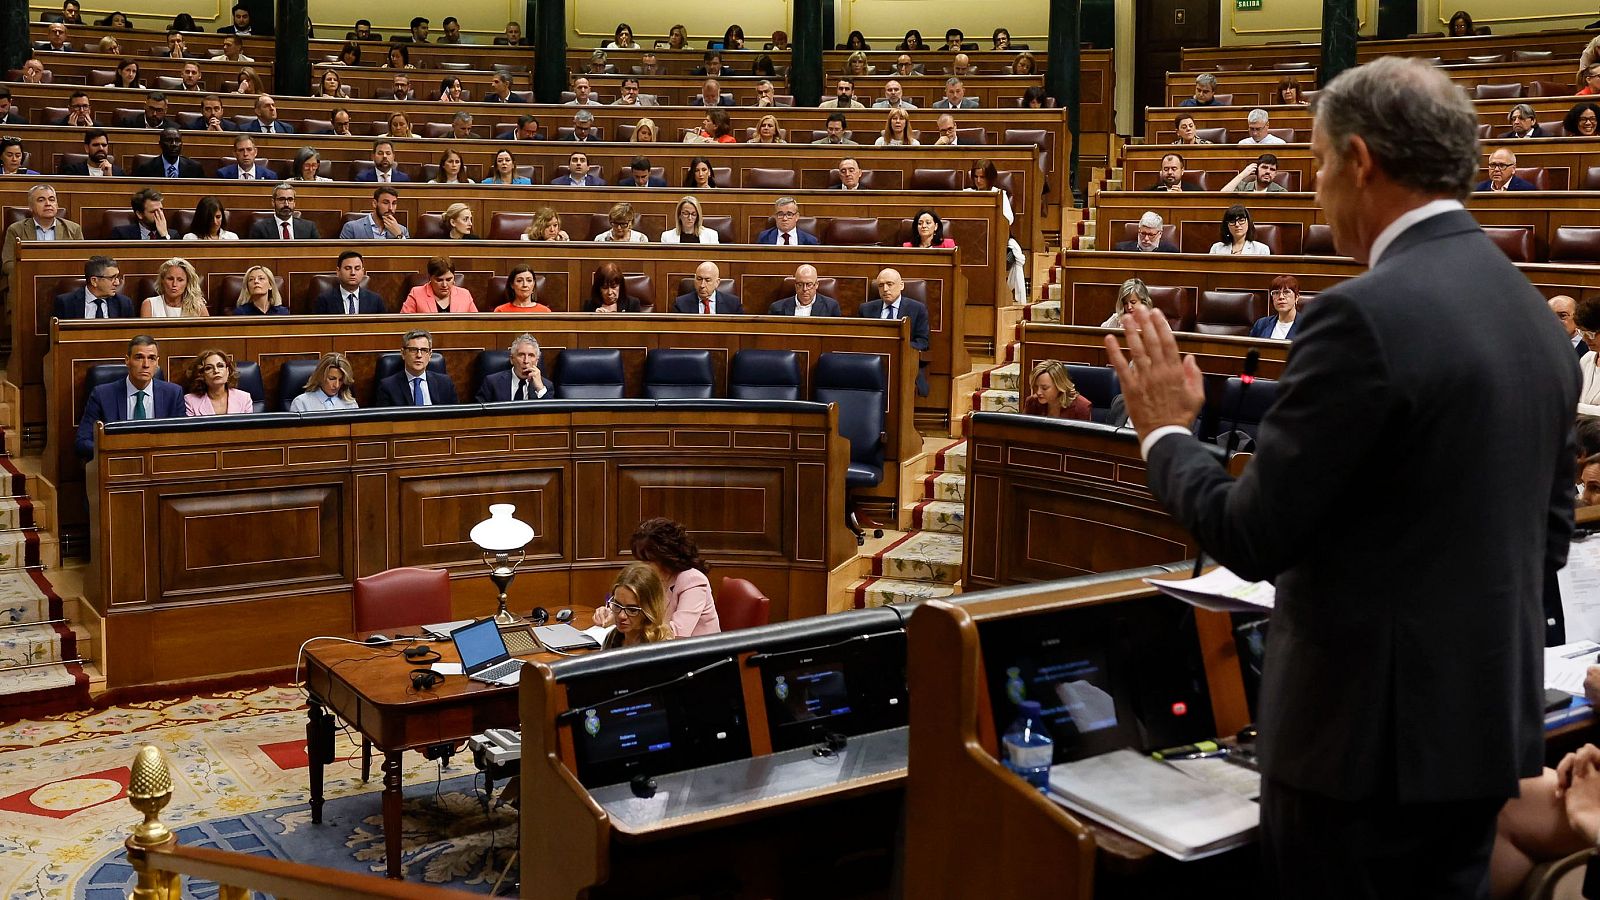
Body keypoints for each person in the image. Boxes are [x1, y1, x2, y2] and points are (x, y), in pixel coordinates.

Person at [1104, 56, 1579, 896]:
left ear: (1359, 161)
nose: (1318, 189)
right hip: (1480, 738)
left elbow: (1250, 536)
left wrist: (1166, 433)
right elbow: (1546, 539)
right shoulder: (1530, 315)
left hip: (1359, 757)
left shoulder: (1361, 315)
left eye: (1321, 163)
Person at [591, 518, 721, 637]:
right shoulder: (650, 580)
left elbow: (677, 633)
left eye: (646, 561)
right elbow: (636, 612)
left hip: (697, 657)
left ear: (665, 557)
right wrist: (614, 614)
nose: (640, 566)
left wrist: (633, 623)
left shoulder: (693, 580)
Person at [75, 335, 183, 459]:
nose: (146, 364)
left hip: (160, 466)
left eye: (151, 358)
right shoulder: (102, 395)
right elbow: (82, 442)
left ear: (157, 362)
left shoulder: (173, 394)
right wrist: (114, 453)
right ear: (127, 360)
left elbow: (183, 439)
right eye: (139, 357)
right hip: (116, 467)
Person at [969, 158, 1029, 302]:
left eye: (982, 177)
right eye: (975, 177)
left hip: (995, 242)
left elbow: (1008, 220)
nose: (978, 181)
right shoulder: (967, 193)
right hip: (972, 241)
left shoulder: (999, 195)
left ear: (990, 178)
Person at [863, 268, 930, 396]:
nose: (885, 289)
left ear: (901, 285)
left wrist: (897, 348)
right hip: (872, 365)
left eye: (890, 284)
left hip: (903, 364)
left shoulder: (917, 309)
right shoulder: (866, 309)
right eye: (881, 285)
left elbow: (923, 343)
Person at [3, 186, 82, 283]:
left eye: (52, 199)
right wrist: (37, 270)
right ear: (31, 207)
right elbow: (7, 264)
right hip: (28, 280)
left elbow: (80, 262)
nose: (48, 204)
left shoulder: (74, 229)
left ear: (57, 205)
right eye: (41, 200)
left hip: (62, 280)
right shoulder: (16, 230)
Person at [598, 563, 674, 649]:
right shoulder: (612, 637)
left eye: (632, 610)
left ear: (649, 610)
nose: (621, 615)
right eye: (617, 605)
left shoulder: (662, 647)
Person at [376, 330, 458, 407]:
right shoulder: (388, 386)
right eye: (413, 350)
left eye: (424, 350)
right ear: (403, 353)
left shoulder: (445, 383)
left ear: (430, 355)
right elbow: (384, 421)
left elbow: (456, 416)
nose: (419, 355)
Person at [476, 333, 552, 401]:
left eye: (531, 355)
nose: (526, 361)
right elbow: (479, 413)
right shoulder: (492, 382)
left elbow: (551, 415)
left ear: (536, 361)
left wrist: (540, 388)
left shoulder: (546, 386)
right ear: (512, 359)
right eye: (521, 355)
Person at [313, 251, 386, 314]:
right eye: (348, 268)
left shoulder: (376, 300)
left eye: (357, 269)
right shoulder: (324, 300)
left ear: (363, 272)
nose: (353, 273)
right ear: (338, 271)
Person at [183, 350, 252, 416]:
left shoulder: (244, 398)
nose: (216, 371)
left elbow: (250, 427)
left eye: (220, 366)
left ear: (228, 371)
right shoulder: (190, 401)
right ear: (201, 374)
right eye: (209, 368)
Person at [401, 257, 476, 313]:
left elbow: (476, 324)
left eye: (449, 279)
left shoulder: (465, 295)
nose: (444, 285)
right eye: (439, 280)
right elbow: (404, 324)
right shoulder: (416, 294)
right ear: (430, 278)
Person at [1022, 360, 1092, 420]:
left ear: (1059, 386)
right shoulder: (1032, 402)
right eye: (1036, 387)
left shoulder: (1081, 407)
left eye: (1044, 388)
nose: (1038, 392)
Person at [139, 257, 208, 318]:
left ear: (187, 283)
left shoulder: (198, 306)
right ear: (162, 280)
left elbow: (208, 331)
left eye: (180, 280)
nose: (174, 284)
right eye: (170, 279)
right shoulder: (149, 304)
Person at [290, 353, 358, 412]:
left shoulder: (351, 404)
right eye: (332, 379)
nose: (336, 385)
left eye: (340, 380)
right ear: (320, 377)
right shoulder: (301, 403)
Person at [248, 183, 319, 239]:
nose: (286, 204)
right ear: (273, 202)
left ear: (294, 202)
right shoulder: (260, 228)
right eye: (282, 199)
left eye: (290, 199)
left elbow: (317, 252)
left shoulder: (309, 227)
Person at [770, 264, 840, 316]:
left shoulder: (831, 307)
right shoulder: (777, 308)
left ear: (816, 285)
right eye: (800, 284)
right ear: (795, 285)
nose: (804, 289)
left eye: (809, 284)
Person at [339, 187, 409, 239]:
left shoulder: (402, 230)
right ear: (374, 203)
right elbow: (343, 255)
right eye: (385, 203)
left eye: (394, 203)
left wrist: (399, 235)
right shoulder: (352, 228)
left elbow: (409, 255)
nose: (390, 208)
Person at [675, 262, 743, 314]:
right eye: (699, 279)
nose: (702, 285)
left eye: (707, 280)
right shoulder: (680, 304)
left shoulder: (733, 304)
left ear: (717, 282)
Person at [135, 128, 203, 179]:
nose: (174, 144)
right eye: (168, 140)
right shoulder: (146, 168)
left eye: (177, 141)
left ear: (182, 144)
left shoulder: (195, 168)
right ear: (160, 144)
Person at [1249, 275, 1302, 339]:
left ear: (1297, 297)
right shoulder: (1261, 324)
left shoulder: (1308, 326)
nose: (1281, 297)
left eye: (1286, 292)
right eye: (1276, 293)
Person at [109, 189, 173, 241]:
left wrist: (164, 236)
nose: (160, 214)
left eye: (161, 209)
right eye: (153, 211)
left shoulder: (172, 235)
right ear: (139, 214)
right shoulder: (122, 234)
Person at [1222, 152, 1288, 192]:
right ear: (1256, 169)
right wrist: (1242, 175)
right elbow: (1223, 196)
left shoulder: (1280, 192)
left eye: (1272, 169)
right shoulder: (1243, 187)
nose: (1268, 171)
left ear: (1275, 174)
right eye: (1264, 167)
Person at [1114, 212, 1178, 253]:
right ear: (1139, 230)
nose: (1146, 238)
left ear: (1160, 234)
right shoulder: (1121, 250)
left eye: (1151, 235)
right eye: (1143, 233)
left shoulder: (1171, 252)